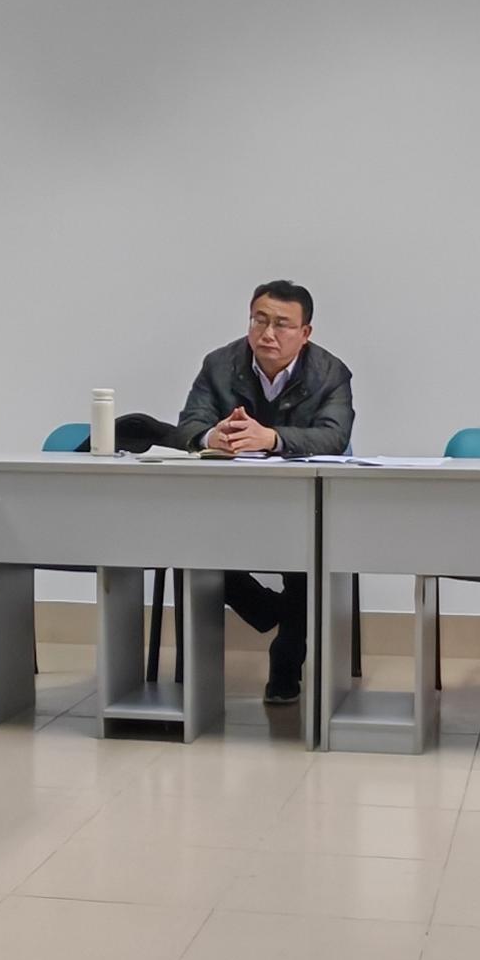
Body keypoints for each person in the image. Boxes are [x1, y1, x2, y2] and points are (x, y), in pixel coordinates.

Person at [117, 281, 356, 702]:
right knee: (192, 547)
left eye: (282, 324)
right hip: (230, 501)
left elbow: (334, 437)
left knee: (307, 551)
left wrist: (272, 438)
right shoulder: (219, 365)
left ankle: (286, 663)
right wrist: (212, 436)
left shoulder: (331, 373)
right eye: (259, 320)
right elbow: (189, 424)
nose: (268, 333)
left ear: (305, 333)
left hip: (299, 503)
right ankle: (270, 610)